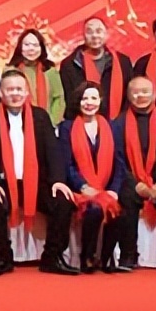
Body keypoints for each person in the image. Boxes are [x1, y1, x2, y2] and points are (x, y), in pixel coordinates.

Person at [0, 69, 78, 276]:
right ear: (1, 93)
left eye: (19, 89)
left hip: (36, 182)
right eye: (10, 89)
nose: (15, 94)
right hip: (3, 181)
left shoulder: (40, 116)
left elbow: (53, 151)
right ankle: (2, 257)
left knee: (63, 202)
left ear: (26, 92)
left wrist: (58, 180)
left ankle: (52, 257)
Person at [113, 75, 156, 272]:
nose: (141, 96)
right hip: (130, 179)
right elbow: (117, 159)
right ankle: (128, 256)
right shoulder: (118, 124)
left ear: (154, 94)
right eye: (136, 92)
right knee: (126, 198)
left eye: (145, 91)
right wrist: (136, 184)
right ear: (128, 96)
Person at [60, 83, 126, 273]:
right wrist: (82, 186)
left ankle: (106, 258)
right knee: (95, 209)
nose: (89, 103)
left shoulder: (111, 126)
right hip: (79, 188)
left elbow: (119, 163)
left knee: (118, 208)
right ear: (78, 101)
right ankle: (86, 257)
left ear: (100, 101)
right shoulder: (67, 127)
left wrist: (113, 190)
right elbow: (67, 164)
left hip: (105, 186)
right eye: (85, 98)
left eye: (94, 98)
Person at [60, 17, 133, 121]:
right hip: (82, 123)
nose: (94, 36)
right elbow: (68, 100)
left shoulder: (122, 62)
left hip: (116, 123)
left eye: (99, 31)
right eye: (89, 32)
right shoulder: (70, 64)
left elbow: (129, 95)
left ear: (106, 34)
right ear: (83, 35)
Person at [5, 28, 66, 126]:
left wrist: (51, 122)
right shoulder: (10, 70)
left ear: (42, 48)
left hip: (47, 124)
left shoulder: (50, 71)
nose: (31, 49)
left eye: (35, 45)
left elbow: (59, 98)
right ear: (20, 47)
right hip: (17, 124)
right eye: (27, 45)